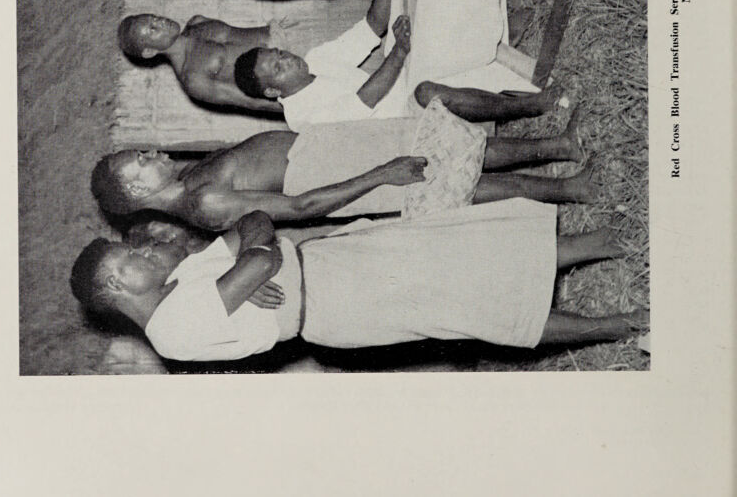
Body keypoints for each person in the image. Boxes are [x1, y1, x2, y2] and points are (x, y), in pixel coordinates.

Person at [70, 207, 648, 363]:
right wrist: (249, 266)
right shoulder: (171, 330)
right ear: (119, 281)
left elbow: (252, 225)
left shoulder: (179, 281)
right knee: (475, 308)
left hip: (329, 259)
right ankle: (620, 325)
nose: (146, 249)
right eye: (133, 254)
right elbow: (261, 262)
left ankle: (610, 242)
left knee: (470, 248)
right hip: (337, 307)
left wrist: (247, 263)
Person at [89, 105, 592, 231]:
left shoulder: (190, 178)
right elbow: (301, 206)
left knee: (458, 144)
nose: (153, 154)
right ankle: (570, 189)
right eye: (142, 159)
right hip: (343, 178)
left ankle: (561, 144)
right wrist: (380, 175)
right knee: (463, 184)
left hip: (329, 148)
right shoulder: (204, 202)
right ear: (135, 188)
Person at [233, 0, 566, 130]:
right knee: (426, 92)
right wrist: (400, 51)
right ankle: (529, 106)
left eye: (279, 52)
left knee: (406, 9)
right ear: (273, 91)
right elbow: (366, 99)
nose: (287, 59)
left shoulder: (316, 59)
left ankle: (495, 38)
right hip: (401, 120)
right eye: (277, 67)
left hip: (397, 79)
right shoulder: (301, 118)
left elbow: (371, 27)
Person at [117, 10, 353, 116]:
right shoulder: (193, 78)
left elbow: (242, 36)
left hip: (292, 41)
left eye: (153, 18)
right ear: (149, 52)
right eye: (152, 29)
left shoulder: (197, 22)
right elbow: (251, 103)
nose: (160, 21)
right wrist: (307, 107)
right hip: (290, 80)